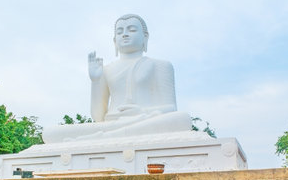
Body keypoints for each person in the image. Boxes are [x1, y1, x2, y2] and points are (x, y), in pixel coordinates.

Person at [45, 14, 192, 143]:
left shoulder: (160, 65)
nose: (125, 34)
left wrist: (141, 112)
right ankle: (108, 135)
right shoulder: (106, 70)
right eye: (120, 31)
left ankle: (102, 138)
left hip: (144, 121)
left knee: (182, 119)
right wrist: (95, 81)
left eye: (132, 30)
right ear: (114, 40)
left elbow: (171, 108)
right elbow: (98, 118)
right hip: (112, 124)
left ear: (145, 37)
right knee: (50, 133)